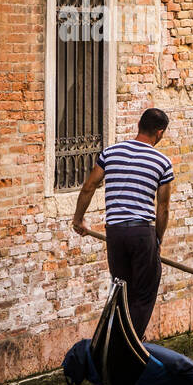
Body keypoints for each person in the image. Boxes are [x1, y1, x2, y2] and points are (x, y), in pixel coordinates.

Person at [72, 108, 173, 338]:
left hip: (115, 234)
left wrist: (78, 219)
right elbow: (163, 208)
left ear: (138, 124)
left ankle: (118, 337)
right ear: (159, 133)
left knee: (121, 289)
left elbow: (89, 187)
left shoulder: (110, 153)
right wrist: (158, 240)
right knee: (145, 289)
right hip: (141, 232)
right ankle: (132, 339)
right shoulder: (162, 162)